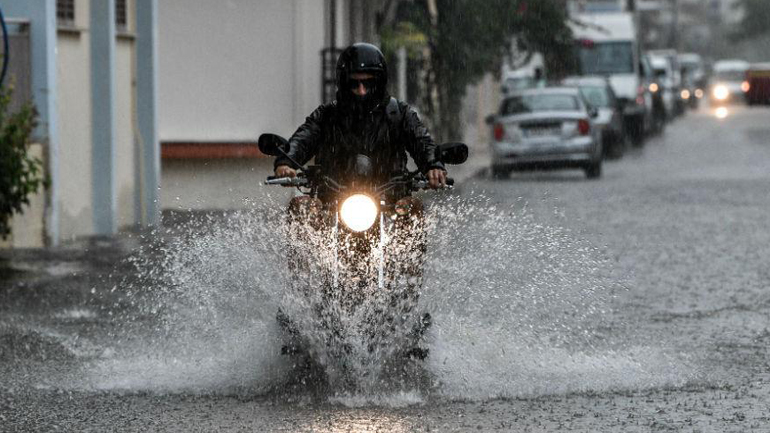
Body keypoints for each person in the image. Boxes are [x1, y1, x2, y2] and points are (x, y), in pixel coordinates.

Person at [273, 42, 447, 191]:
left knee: (412, 210)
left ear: (379, 83)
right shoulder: (327, 115)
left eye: (368, 83)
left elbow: (420, 139)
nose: (362, 90)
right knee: (301, 208)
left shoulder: (398, 114)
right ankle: (307, 231)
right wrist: (286, 162)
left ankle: (409, 231)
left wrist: (433, 165)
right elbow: (304, 138)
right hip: (332, 196)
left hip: (391, 196)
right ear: (343, 83)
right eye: (354, 83)